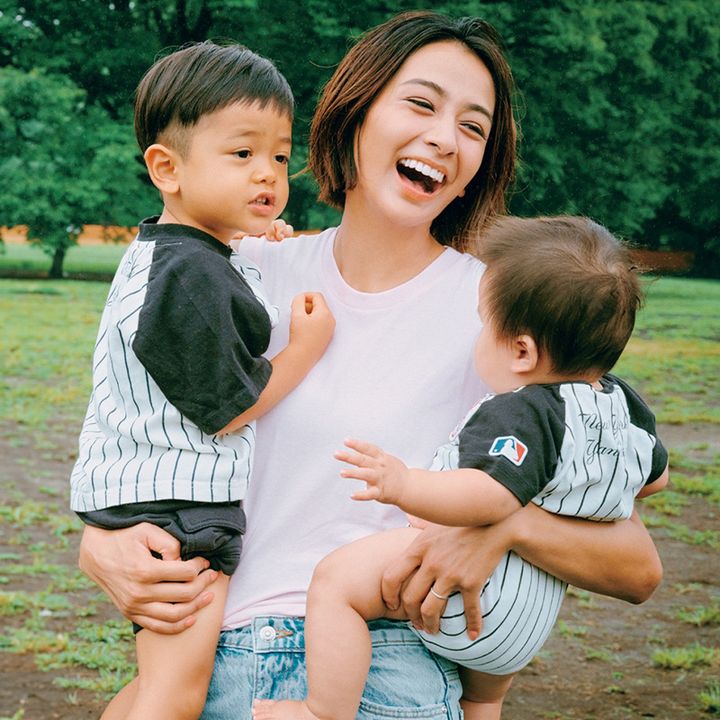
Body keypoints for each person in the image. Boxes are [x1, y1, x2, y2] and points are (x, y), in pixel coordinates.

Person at [76, 13, 664, 719]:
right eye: (421, 104)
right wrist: (100, 540)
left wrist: (505, 527)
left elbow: (636, 564)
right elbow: (140, 431)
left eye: (473, 127)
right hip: (208, 660)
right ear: (355, 114)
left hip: (379, 672)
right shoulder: (237, 271)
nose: (444, 138)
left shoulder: (503, 318)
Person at [252, 215, 669, 720]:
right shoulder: (623, 406)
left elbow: (489, 495)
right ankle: (482, 705)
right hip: (525, 623)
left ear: (522, 351)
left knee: (336, 582)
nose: (477, 338)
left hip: (470, 600)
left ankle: (322, 710)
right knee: (484, 697)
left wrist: (405, 484)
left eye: (483, 324)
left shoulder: (522, 410)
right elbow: (655, 479)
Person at [69, 41, 334, 720]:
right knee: (176, 693)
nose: (268, 172)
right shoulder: (190, 275)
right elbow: (231, 408)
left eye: (280, 157)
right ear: (168, 168)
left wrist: (249, 236)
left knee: (156, 685)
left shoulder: (180, 252)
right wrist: (305, 350)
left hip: (150, 498)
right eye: (242, 153)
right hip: (179, 511)